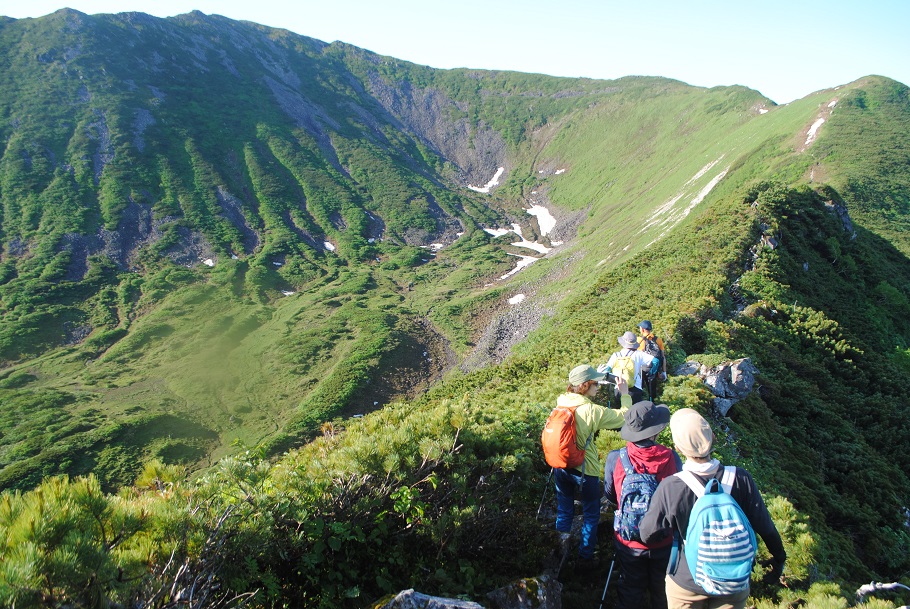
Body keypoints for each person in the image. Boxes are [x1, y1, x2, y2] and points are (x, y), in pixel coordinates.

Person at [639, 409, 786, 609]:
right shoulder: (741, 479)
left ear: (677, 448)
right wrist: (778, 559)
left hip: (687, 583)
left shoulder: (672, 486)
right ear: (712, 438)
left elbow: (648, 534)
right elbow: (766, 527)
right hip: (733, 583)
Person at [604, 378, 682, 609]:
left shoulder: (615, 458)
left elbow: (611, 495)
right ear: (656, 431)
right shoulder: (671, 458)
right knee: (662, 589)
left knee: (630, 588)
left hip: (628, 541)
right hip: (664, 538)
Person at [554, 364, 631, 570]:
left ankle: (558, 552)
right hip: (585, 469)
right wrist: (624, 394)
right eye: (595, 383)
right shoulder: (591, 410)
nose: (598, 387)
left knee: (564, 511)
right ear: (585, 385)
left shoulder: (561, 402)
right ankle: (585, 558)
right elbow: (624, 416)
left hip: (560, 465)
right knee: (591, 514)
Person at [600, 331, 659, 403]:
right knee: (635, 412)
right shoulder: (639, 354)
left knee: (621, 412)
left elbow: (606, 370)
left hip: (619, 389)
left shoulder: (615, 355)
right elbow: (656, 361)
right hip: (635, 389)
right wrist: (651, 372)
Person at [637, 320, 667, 400]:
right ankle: (652, 403)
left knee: (640, 390)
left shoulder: (639, 340)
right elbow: (663, 357)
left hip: (642, 369)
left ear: (642, 329)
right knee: (652, 391)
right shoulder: (658, 340)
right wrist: (664, 372)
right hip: (654, 368)